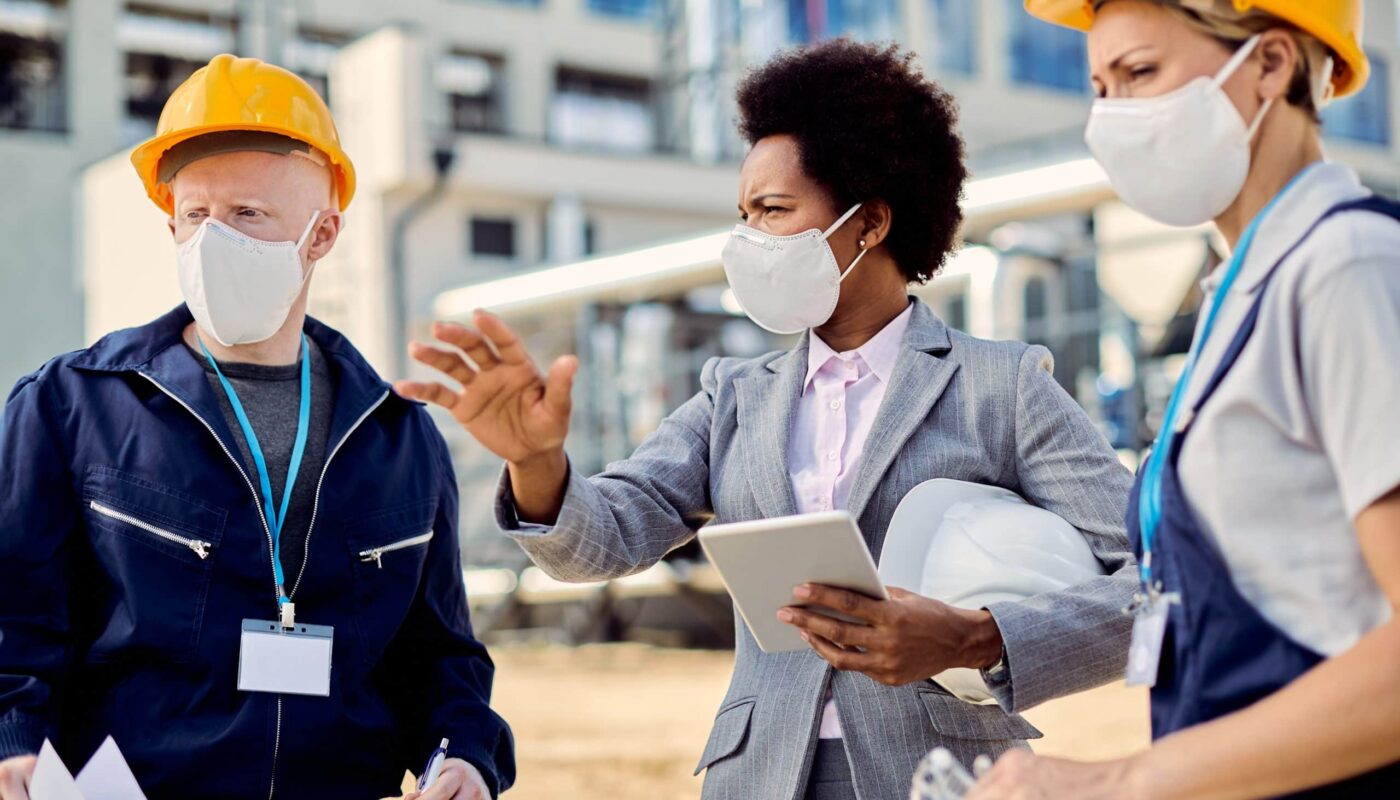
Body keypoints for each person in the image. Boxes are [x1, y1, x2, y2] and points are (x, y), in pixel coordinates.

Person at [398, 39, 1138, 800]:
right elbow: (608, 535)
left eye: (773, 211)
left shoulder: (1000, 385)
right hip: (758, 774)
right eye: (743, 214)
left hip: (941, 771)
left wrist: (979, 637)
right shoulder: (734, 395)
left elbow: (1149, 585)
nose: (747, 239)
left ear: (870, 222)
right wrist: (537, 464)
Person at [0, 55, 513, 800]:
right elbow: (12, 624)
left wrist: (463, 755)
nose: (212, 241)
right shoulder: (68, 407)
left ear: (321, 234)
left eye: (247, 215)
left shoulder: (399, 437)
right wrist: (12, 745)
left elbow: (439, 658)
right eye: (195, 215)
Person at [966, 2, 1400, 797]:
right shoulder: (1242, 288)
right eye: (1101, 87)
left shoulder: (1347, 266)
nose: (1112, 118)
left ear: (1270, 65)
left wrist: (1117, 782)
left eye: (1140, 73)